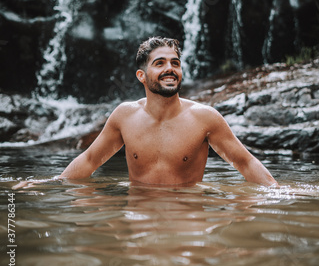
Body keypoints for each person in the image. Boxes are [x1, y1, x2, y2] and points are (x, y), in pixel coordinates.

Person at [15, 36, 278, 188]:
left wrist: (278, 193)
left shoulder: (205, 117)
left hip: (188, 222)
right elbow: (89, 161)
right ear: (142, 75)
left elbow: (245, 162)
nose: (169, 68)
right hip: (138, 222)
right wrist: (49, 184)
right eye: (160, 63)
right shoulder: (124, 116)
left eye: (175, 63)